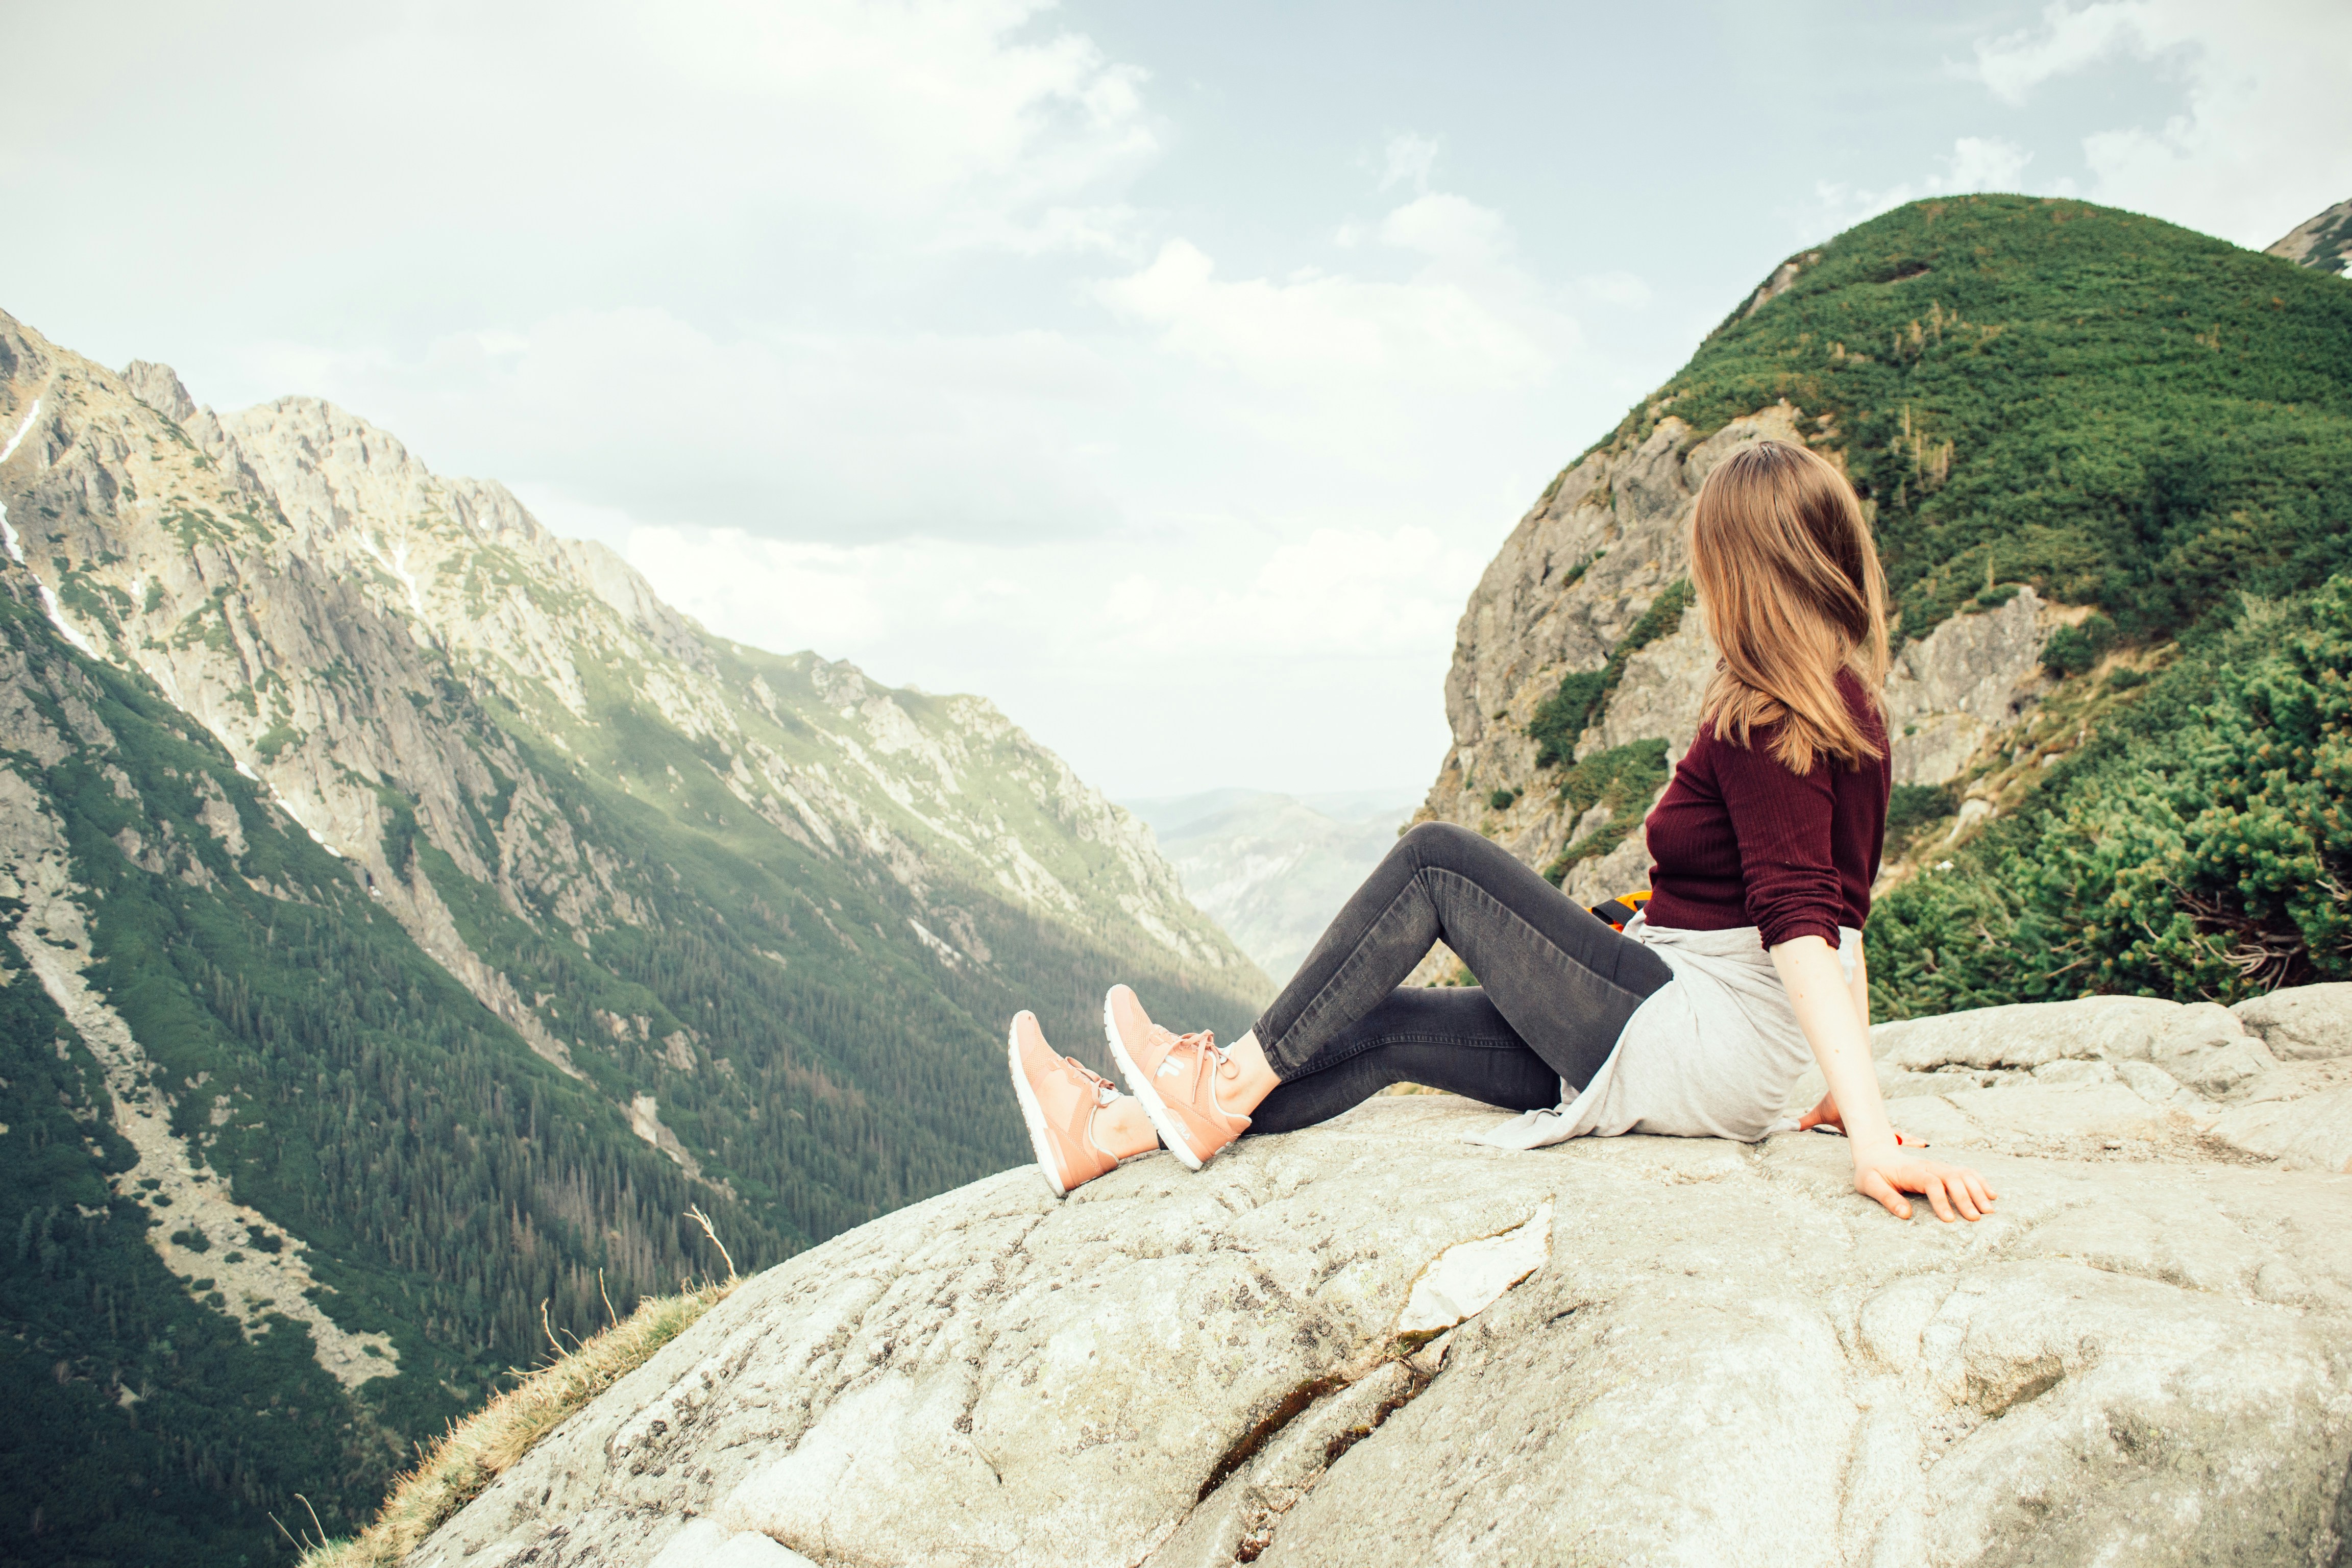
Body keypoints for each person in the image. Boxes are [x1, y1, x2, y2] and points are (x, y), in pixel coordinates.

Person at [1007, 439, 1997, 1223]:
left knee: (1438, 863)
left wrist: (1868, 1132)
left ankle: (1215, 1086)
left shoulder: (1767, 716)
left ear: (1737, 573)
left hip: (1691, 1030)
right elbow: (1845, 919)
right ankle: (1112, 1129)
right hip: (1714, 1043)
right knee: (1385, 1027)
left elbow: (1801, 923)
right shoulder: (1848, 709)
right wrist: (1831, 1086)